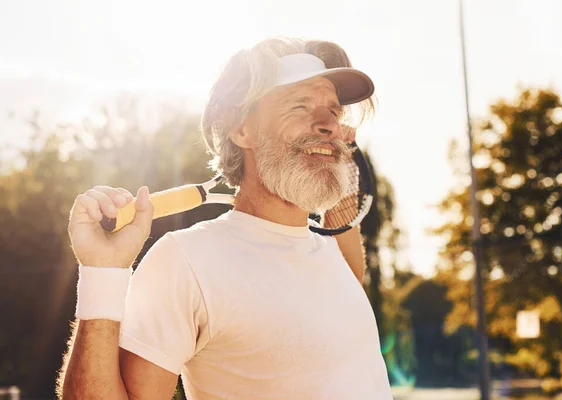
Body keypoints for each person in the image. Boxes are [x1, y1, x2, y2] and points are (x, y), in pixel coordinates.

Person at [58, 37, 392, 399]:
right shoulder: (187, 260)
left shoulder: (332, 256)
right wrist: (102, 272)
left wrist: (332, 157)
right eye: (300, 105)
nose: (328, 123)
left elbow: (339, 282)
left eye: (335, 112)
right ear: (242, 129)